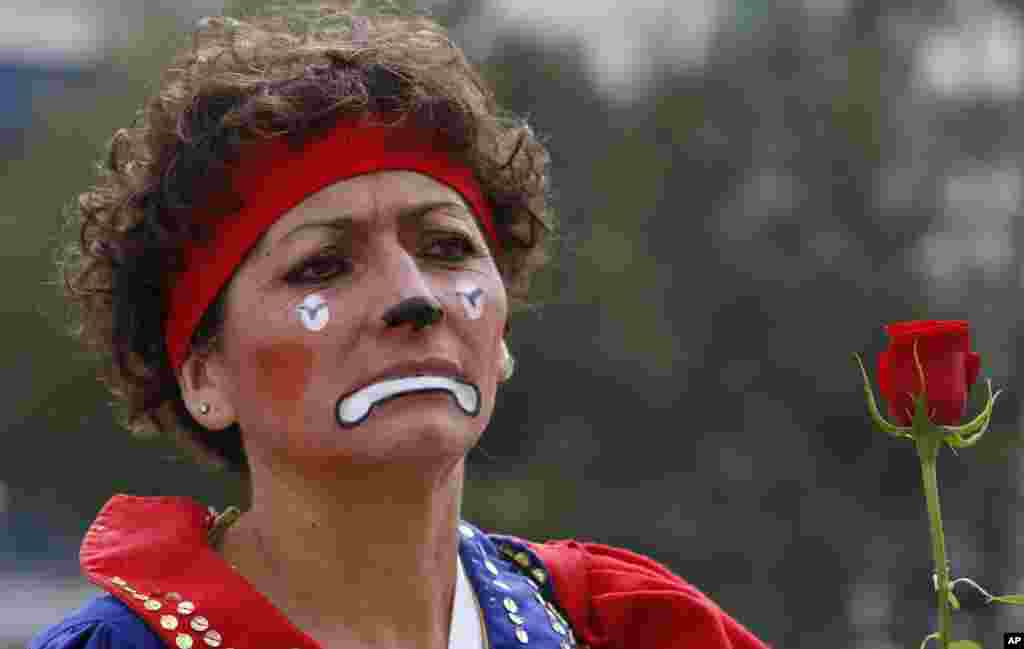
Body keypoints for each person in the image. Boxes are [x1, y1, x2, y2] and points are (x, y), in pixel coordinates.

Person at [30, 3, 770, 649]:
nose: (416, 297)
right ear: (204, 374)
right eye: (323, 265)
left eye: (447, 248)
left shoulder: (629, 628)